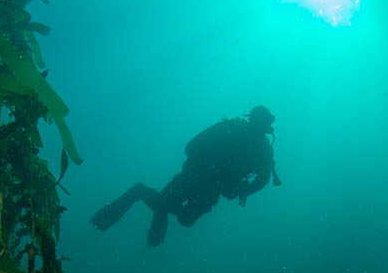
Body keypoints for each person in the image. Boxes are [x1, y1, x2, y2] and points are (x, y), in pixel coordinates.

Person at [91, 105, 281, 246]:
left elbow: (264, 178)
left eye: (265, 123)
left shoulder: (263, 149)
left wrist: (245, 191)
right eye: (262, 122)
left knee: (185, 220)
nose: (263, 126)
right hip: (192, 177)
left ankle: (157, 202)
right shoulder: (229, 129)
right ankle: (141, 193)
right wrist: (210, 168)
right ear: (254, 120)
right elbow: (191, 146)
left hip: (211, 189)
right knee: (163, 212)